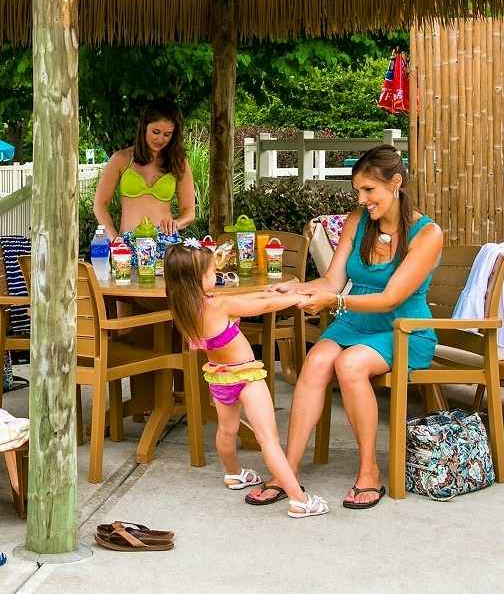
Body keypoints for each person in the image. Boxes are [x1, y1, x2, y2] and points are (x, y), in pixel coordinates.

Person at [249, 145, 444, 511]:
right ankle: (287, 467)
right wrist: (298, 287)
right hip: (356, 320)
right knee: (318, 359)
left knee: (350, 364)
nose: (362, 199)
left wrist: (333, 303)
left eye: (369, 190)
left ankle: (369, 471)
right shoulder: (358, 221)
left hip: (403, 328)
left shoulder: (427, 233)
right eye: (358, 191)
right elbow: (332, 281)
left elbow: (389, 298)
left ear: (396, 183)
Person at [162, 243, 329, 519]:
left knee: (227, 431)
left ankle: (234, 474)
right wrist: (298, 298)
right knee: (269, 439)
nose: (215, 276)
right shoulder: (219, 305)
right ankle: (300, 500)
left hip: (219, 376)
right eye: (211, 273)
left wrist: (268, 289)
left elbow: (249, 298)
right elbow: (264, 307)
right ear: (197, 279)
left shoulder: (185, 306)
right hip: (246, 377)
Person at [92, 98, 196, 235]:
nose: (160, 139)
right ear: (144, 127)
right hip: (129, 246)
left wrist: (176, 223)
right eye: (156, 132)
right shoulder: (121, 159)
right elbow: (99, 205)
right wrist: (114, 240)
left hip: (166, 244)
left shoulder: (178, 161)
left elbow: (189, 211)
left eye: (167, 134)